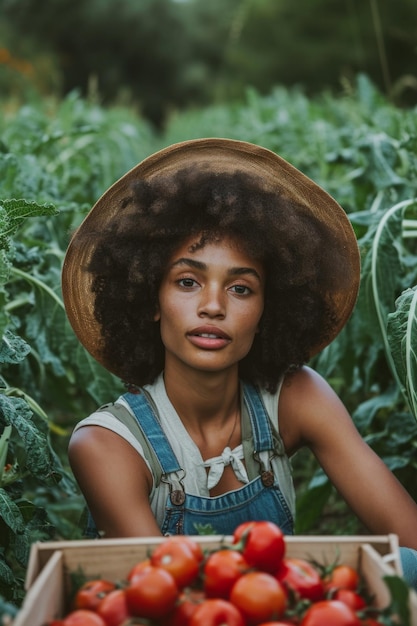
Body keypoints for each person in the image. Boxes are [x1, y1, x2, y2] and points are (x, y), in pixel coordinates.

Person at [62, 138, 417, 588]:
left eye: (241, 288)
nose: (213, 306)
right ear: (151, 298)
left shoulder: (297, 398)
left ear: (269, 307)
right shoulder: (108, 446)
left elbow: (411, 543)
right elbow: (163, 599)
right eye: (188, 281)